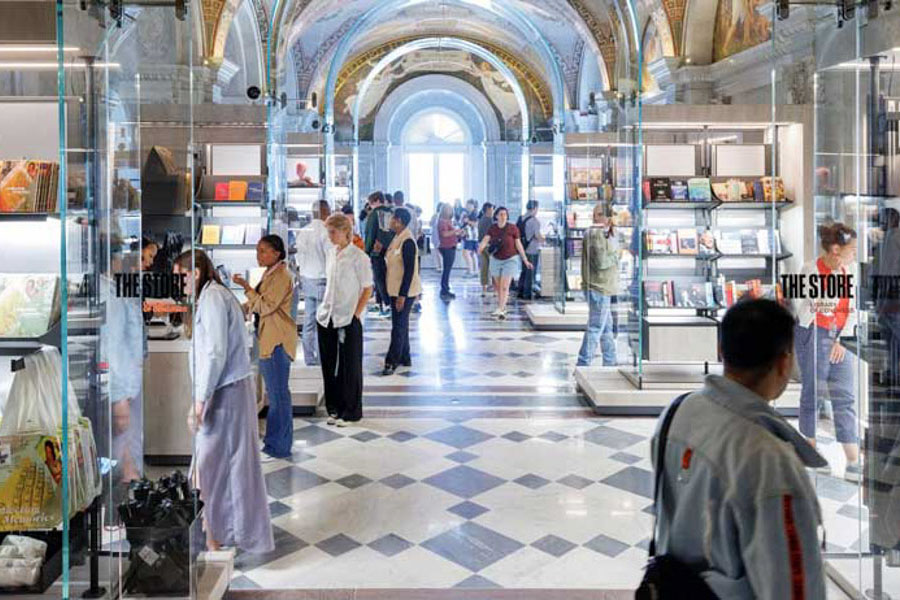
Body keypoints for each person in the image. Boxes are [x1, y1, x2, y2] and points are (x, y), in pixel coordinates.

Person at [650, 299, 826, 598]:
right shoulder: (770, 459)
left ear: (721, 350)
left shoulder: (678, 411)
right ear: (784, 362)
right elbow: (792, 587)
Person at [175, 250, 274, 554]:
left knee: (213, 465)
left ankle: (219, 533)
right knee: (210, 466)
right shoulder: (209, 297)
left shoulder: (215, 298)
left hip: (225, 392)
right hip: (221, 391)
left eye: (182, 276)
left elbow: (216, 353)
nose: (180, 284)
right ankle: (212, 533)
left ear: (196, 272)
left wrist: (201, 401)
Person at [794, 222, 861, 481]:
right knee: (813, 393)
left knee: (845, 394)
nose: (854, 254)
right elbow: (820, 305)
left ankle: (853, 460)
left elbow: (853, 310)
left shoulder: (851, 271)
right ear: (836, 249)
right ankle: (809, 452)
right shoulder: (809, 269)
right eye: (851, 249)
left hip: (841, 337)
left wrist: (841, 340)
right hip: (813, 334)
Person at [233, 235, 297, 462]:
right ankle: (274, 442)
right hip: (269, 338)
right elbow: (258, 302)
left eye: (263, 251)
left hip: (277, 341)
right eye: (257, 250)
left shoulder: (281, 276)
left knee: (279, 395)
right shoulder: (270, 274)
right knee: (276, 393)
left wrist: (246, 287)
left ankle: (279, 445)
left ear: (277, 253)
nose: (258, 255)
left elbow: (266, 306)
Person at [318, 214, 374, 426]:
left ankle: (351, 410)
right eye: (328, 232)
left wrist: (355, 315)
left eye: (333, 232)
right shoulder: (331, 253)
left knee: (350, 365)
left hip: (348, 316)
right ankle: (334, 407)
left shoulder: (359, 257)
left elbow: (367, 288)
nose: (330, 236)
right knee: (330, 363)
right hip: (327, 315)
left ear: (345, 231)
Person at [576, 204, 619, 366]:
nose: (598, 218)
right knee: (596, 327)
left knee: (606, 328)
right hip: (598, 287)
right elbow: (601, 262)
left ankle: (610, 362)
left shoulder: (604, 233)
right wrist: (616, 256)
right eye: (598, 214)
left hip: (602, 287)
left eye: (602, 215)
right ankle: (583, 364)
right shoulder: (597, 234)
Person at [383, 207, 421, 376]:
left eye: (392, 219)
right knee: (400, 323)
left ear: (398, 221)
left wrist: (402, 295)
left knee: (398, 326)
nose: (390, 221)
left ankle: (392, 360)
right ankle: (405, 356)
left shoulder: (408, 241)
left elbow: (409, 271)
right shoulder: (397, 237)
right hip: (394, 289)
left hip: (403, 292)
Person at [477, 206, 532, 320]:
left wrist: (525, 260)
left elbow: (518, 245)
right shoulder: (492, 228)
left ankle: (501, 309)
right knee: (498, 286)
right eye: (501, 214)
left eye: (505, 214)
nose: (503, 216)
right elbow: (485, 240)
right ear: (496, 216)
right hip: (496, 260)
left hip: (510, 260)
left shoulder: (513, 228)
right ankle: (501, 306)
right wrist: (480, 248)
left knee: (504, 286)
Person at [294, 200, 330, 365]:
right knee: (322, 320)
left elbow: (298, 256)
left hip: (306, 279)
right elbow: (330, 257)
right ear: (324, 211)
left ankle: (309, 357)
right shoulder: (326, 232)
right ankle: (322, 356)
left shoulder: (303, 231)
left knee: (309, 320)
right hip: (322, 280)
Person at [364, 191, 394, 316]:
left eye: (370, 202)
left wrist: (367, 250)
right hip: (391, 250)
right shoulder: (391, 213)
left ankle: (386, 304)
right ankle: (379, 303)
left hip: (377, 251)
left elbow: (370, 234)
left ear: (376, 201)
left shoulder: (374, 215)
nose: (369, 205)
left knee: (378, 278)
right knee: (385, 278)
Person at [517, 200, 544, 300]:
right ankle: (527, 294)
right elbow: (537, 236)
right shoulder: (534, 221)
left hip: (522, 248)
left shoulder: (521, 218)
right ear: (535, 208)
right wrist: (544, 240)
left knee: (524, 271)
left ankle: (521, 291)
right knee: (530, 272)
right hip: (532, 249)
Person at [437, 203, 464, 301]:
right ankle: (444, 290)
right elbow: (444, 234)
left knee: (447, 269)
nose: (450, 211)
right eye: (448, 209)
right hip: (447, 247)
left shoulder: (447, 221)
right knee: (446, 269)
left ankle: (446, 288)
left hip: (451, 246)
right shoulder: (442, 221)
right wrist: (455, 231)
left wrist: (458, 233)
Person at [477, 203, 495, 297]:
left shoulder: (481, 219)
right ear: (488, 209)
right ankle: (494, 288)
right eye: (492, 209)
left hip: (482, 246)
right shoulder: (489, 220)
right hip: (489, 246)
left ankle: (484, 289)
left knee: (484, 267)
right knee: (493, 267)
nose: (493, 211)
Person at [461, 200, 479, 276]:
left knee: (466, 253)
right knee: (472, 254)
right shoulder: (468, 214)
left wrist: (467, 221)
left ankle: (471, 270)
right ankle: (474, 270)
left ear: (473, 206)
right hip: (470, 236)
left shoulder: (474, 214)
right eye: (467, 205)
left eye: (469, 205)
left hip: (471, 237)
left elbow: (476, 224)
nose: (467, 207)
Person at [430, 203, 444, 273]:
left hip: (441, 236)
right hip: (436, 236)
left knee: (440, 252)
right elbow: (431, 223)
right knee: (437, 252)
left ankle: (441, 266)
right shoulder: (435, 215)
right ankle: (439, 266)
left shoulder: (444, 216)